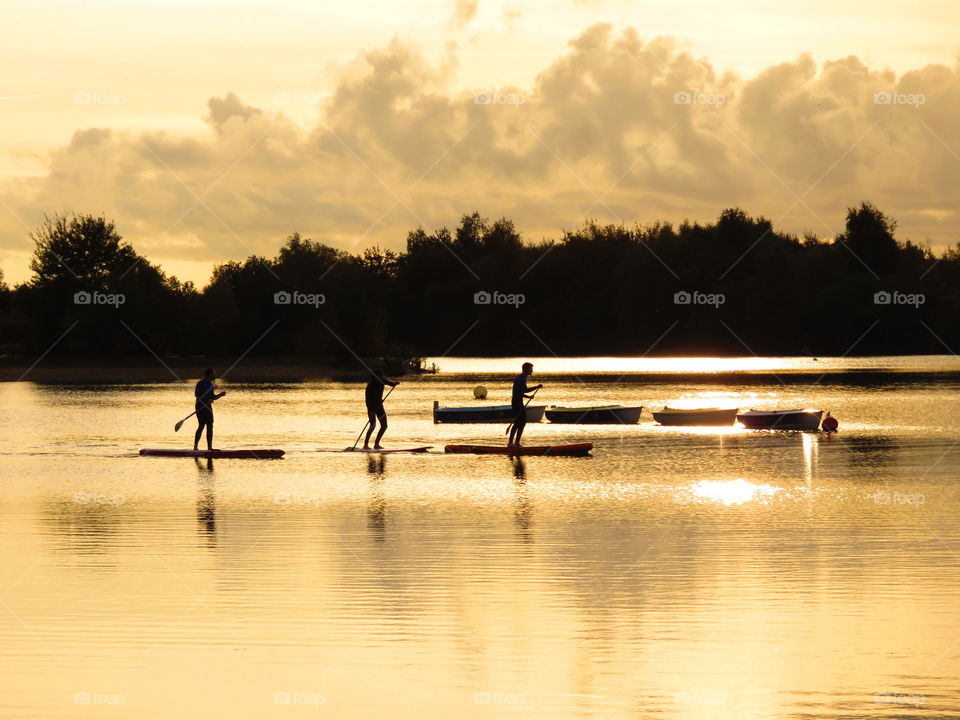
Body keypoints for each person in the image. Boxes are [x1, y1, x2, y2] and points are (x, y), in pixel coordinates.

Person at [508, 362, 542, 447]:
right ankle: (511, 443)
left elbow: (525, 390)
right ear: (526, 370)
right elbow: (517, 392)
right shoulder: (520, 378)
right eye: (531, 369)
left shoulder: (523, 378)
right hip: (516, 402)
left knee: (522, 422)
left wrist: (536, 387)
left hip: (518, 402)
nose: (532, 371)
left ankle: (516, 443)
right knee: (518, 422)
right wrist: (528, 396)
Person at [364, 369, 398, 450]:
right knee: (373, 425)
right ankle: (365, 445)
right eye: (379, 377)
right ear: (375, 377)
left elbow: (391, 384)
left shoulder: (382, 381)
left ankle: (376, 444)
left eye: (381, 377)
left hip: (379, 407)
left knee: (384, 425)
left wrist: (395, 383)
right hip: (372, 407)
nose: (380, 378)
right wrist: (370, 410)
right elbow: (367, 399)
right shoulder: (370, 385)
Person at [194, 368, 226, 451]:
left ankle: (209, 447)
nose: (215, 376)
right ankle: (195, 447)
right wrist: (206, 400)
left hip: (208, 407)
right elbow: (197, 395)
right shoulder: (201, 383)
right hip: (200, 406)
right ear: (209, 374)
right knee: (201, 425)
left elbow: (213, 397)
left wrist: (220, 395)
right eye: (213, 374)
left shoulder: (211, 384)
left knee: (210, 425)